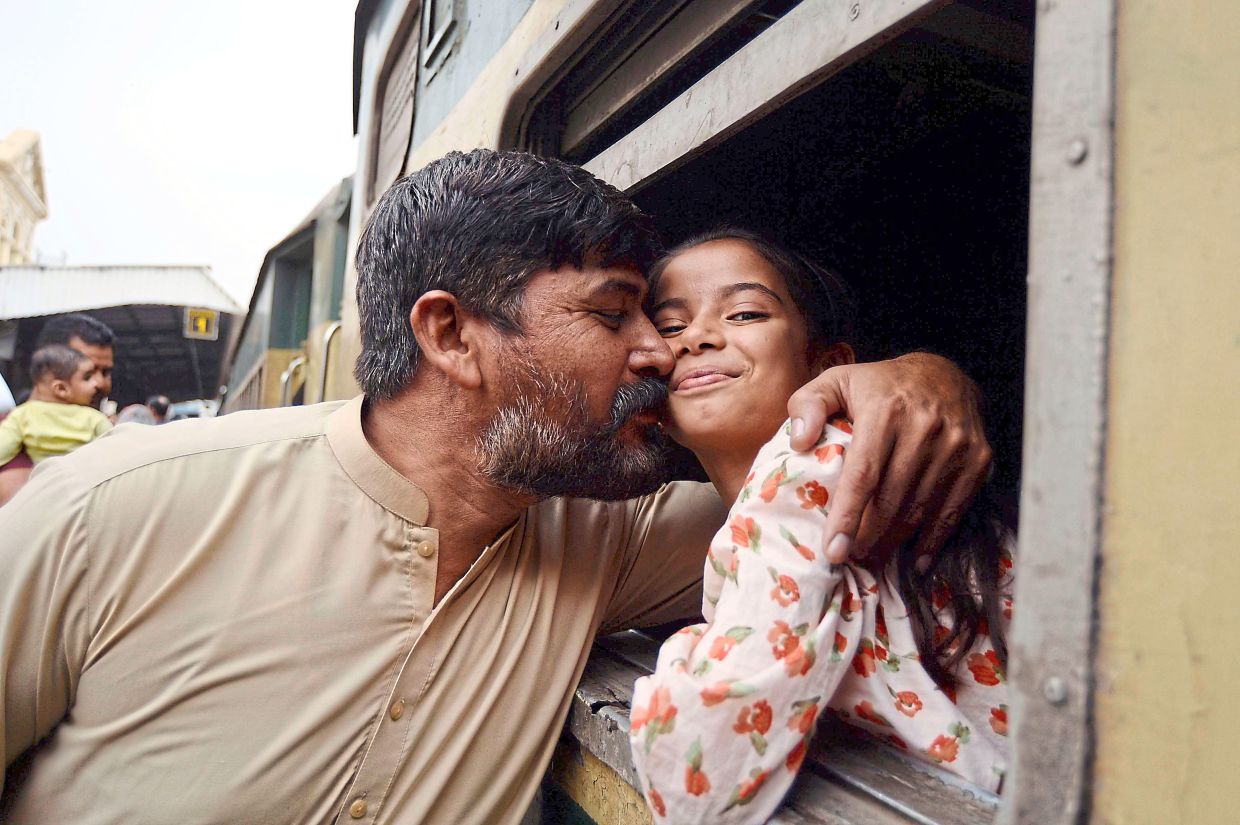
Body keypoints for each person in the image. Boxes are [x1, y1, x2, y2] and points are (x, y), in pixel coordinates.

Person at [0, 151, 991, 824]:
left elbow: (812, 508)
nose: (661, 352)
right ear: (451, 335)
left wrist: (920, 379)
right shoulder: (111, 509)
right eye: (615, 314)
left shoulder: (615, 539)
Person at [629, 230, 1012, 823]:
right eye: (671, 326)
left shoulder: (809, 459)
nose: (697, 337)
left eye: (745, 313)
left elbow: (699, 780)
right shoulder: (763, 498)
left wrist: (689, 646)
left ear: (829, 367)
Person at [0, 313, 116, 506]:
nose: (99, 383)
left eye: (106, 372)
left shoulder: (95, 422)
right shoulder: (12, 431)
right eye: (88, 374)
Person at [0, 345, 111, 472]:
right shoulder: (94, 418)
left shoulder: (22, 415)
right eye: (87, 378)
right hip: (86, 477)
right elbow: (115, 451)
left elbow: (2, 448)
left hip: (43, 478)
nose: (96, 384)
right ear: (61, 389)